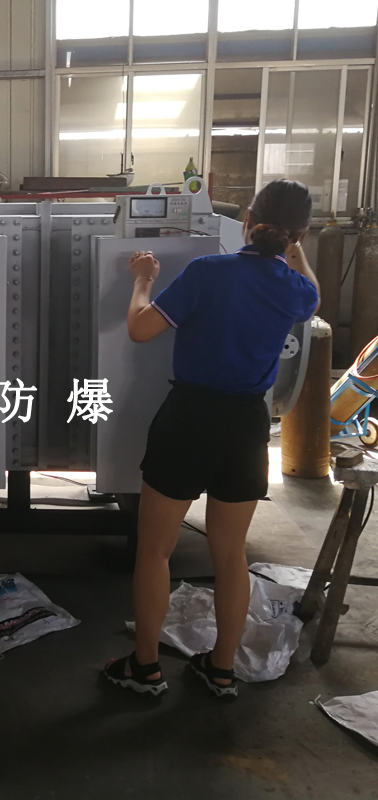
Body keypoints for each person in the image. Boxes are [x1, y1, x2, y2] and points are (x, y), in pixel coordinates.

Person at [104, 179, 320, 699]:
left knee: (155, 551)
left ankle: (145, 667)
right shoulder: (296, 290)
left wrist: (143, 279)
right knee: (230, 555)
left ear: (247, 220)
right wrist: (294, 250)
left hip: (189, 419)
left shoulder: (208, 271)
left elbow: (140, 329)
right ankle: (221, 669)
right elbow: (310, 294)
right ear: (300, 235)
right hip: (246, 427)